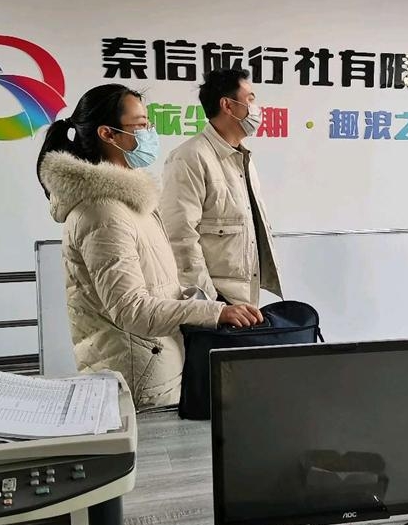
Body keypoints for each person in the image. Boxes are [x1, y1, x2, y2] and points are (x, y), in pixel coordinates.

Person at [37, 84, 262, 411]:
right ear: (108, 134)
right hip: (136, 378)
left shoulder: (130, 203)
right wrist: (214, 313)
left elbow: (155, 283)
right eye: (141, 125)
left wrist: (196, 297)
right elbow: (131, 309)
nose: (150, 133)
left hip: (155, 361)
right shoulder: (103, 213)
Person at [161, 68, 282, 307]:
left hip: (243, 300)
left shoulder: (242, 157)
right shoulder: (190, 157)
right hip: (216, 302)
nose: (256, 109)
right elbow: (180, 238)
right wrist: (211, 303)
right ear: (227, 105)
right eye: (250, 100)